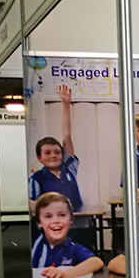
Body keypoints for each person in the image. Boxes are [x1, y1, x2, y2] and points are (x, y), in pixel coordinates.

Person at [29, 84, 83, 214]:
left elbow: (66, 135)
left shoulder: (69, 168)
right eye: (47, 153)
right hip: (55, 223)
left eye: (57, 152)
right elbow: (30, 202)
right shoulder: (37, 178)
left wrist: (66, 105)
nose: (53, 155)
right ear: (39, 157)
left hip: (78, 221)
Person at [31, 192, 103, 278]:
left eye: (62, 215)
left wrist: (63, 275)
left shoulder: (74, 249)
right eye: (48, 216)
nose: (56, 221)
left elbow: (96, 262)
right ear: (39, 222)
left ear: (71, 219)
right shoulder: (34, 242)